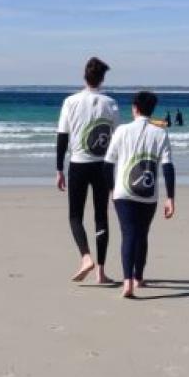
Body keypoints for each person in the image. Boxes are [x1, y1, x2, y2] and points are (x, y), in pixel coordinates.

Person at [106, 91, 176, 298]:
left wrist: (111, 189)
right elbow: (168, 167)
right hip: (148, 192)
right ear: (152, 109)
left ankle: (127, 282)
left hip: (123, 191)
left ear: (135, 108)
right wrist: (170, 197)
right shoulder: (161, 133)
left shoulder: (121, 130)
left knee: (128, 234)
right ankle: (138, 277)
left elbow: (108, 164)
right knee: (142, 234)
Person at [54, 56, 118, 284]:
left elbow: (63, 136)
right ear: (102, 79)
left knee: (75, 216)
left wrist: (59, 169)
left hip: (78, 165)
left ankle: (85, 257)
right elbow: (115, 139)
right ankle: (100, 272)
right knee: (101, 217)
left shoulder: (70, 102)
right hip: (102, 166)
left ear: (84, 76)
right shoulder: (110, 103)